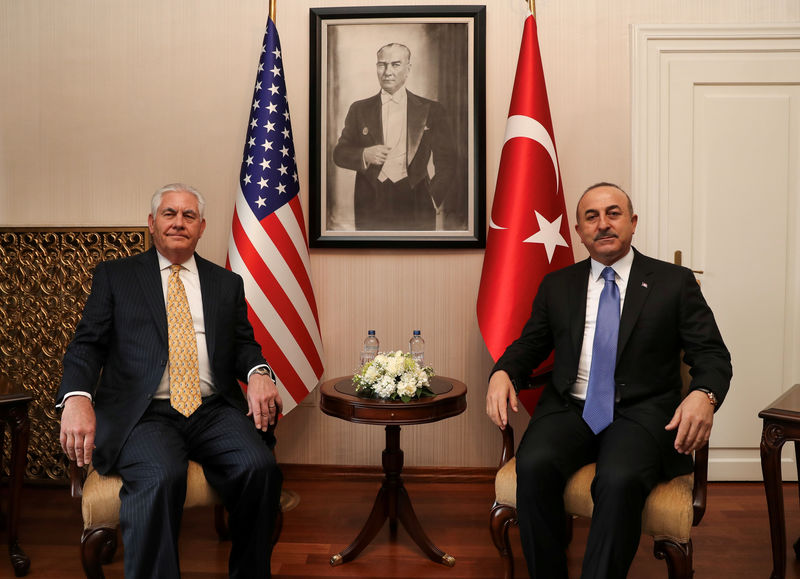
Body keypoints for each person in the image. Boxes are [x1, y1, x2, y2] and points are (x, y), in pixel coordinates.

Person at [485, 183, 732, 578]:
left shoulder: (673, 282)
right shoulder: (558, 285)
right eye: (591, 217)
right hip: (570, 408)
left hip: (643, 413)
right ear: (579, 232)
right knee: (534, 465)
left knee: (617, 480)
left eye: (613, 213)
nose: (603, 224)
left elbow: (713, 355)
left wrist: (705, 393)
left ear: (632, 223)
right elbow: (529, 345)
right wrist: (502, 371)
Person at [57, 183, 283, 578]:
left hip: (212, 409)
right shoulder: (116, 276)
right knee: (160, 476)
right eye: (169, 213)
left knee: (258, 467)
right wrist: (76, 397)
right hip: (145, 412)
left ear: (201, 227)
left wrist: (259, 372)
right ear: (151, 223)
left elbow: (244, 345)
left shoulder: (225, 283)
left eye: (189, 215)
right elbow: (86, 345)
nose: (179, 222)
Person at [333, 42, 456, 231]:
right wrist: (364, 154)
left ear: (408, 69)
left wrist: (433, 197)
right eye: (382, 64)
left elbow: (448, 161)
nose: (387, 71)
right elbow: (339, 154)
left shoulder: (432, 110)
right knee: (370, 258)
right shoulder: (359, 109)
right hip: (370, 202)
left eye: (396, 64)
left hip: (417, 202)